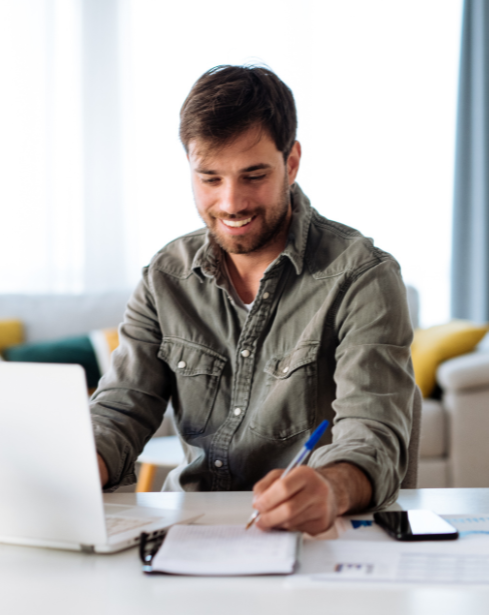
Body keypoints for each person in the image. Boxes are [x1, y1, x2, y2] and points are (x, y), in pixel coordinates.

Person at [89, 64, 415, 534]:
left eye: (254, 175)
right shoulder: (167, 276)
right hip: (189, 533)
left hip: (313, 539)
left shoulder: (362, 276)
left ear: (293, 161)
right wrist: (78, 467)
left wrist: (331, 487)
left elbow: (373, 434)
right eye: (209, 178)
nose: (231, 202)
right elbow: (121, 409)